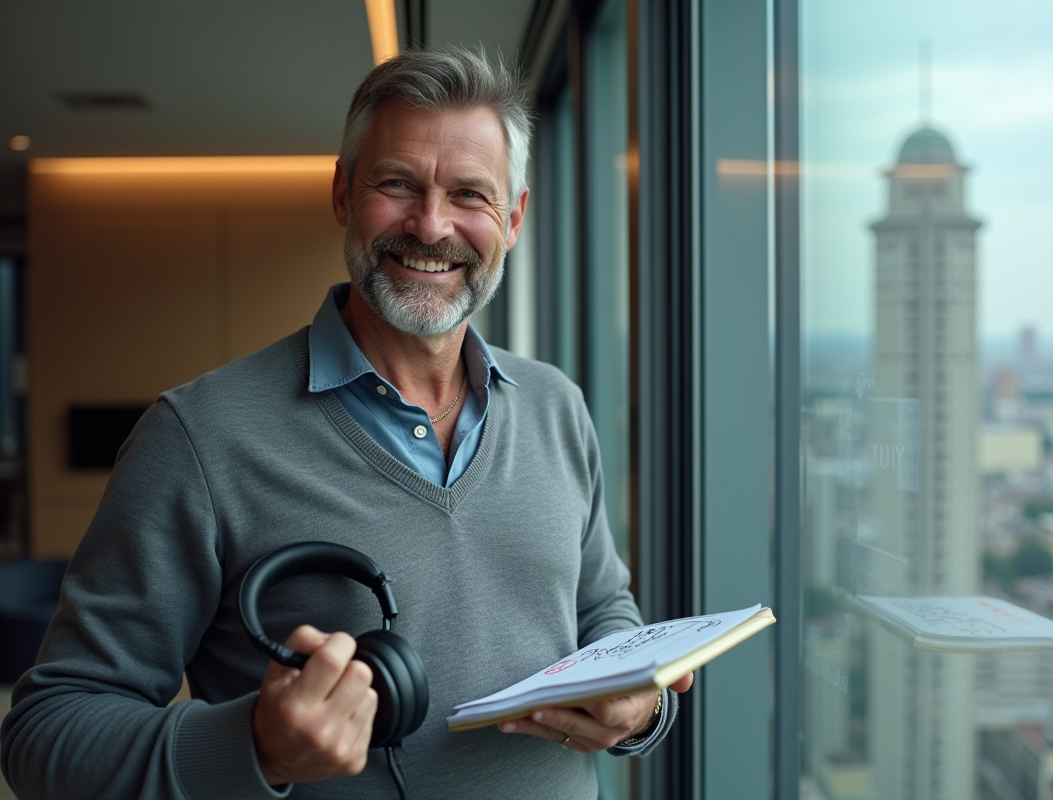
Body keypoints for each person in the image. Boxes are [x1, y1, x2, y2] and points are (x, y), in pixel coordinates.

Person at [1, 47, 691, 800]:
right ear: (342, 195)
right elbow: (47, 735)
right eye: (397, 184)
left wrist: (641, 705)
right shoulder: (195, 438)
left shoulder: (557, 404)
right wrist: (255, 746)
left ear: (515, 219)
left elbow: (599, 609)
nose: (431, 226)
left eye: (469, 194)